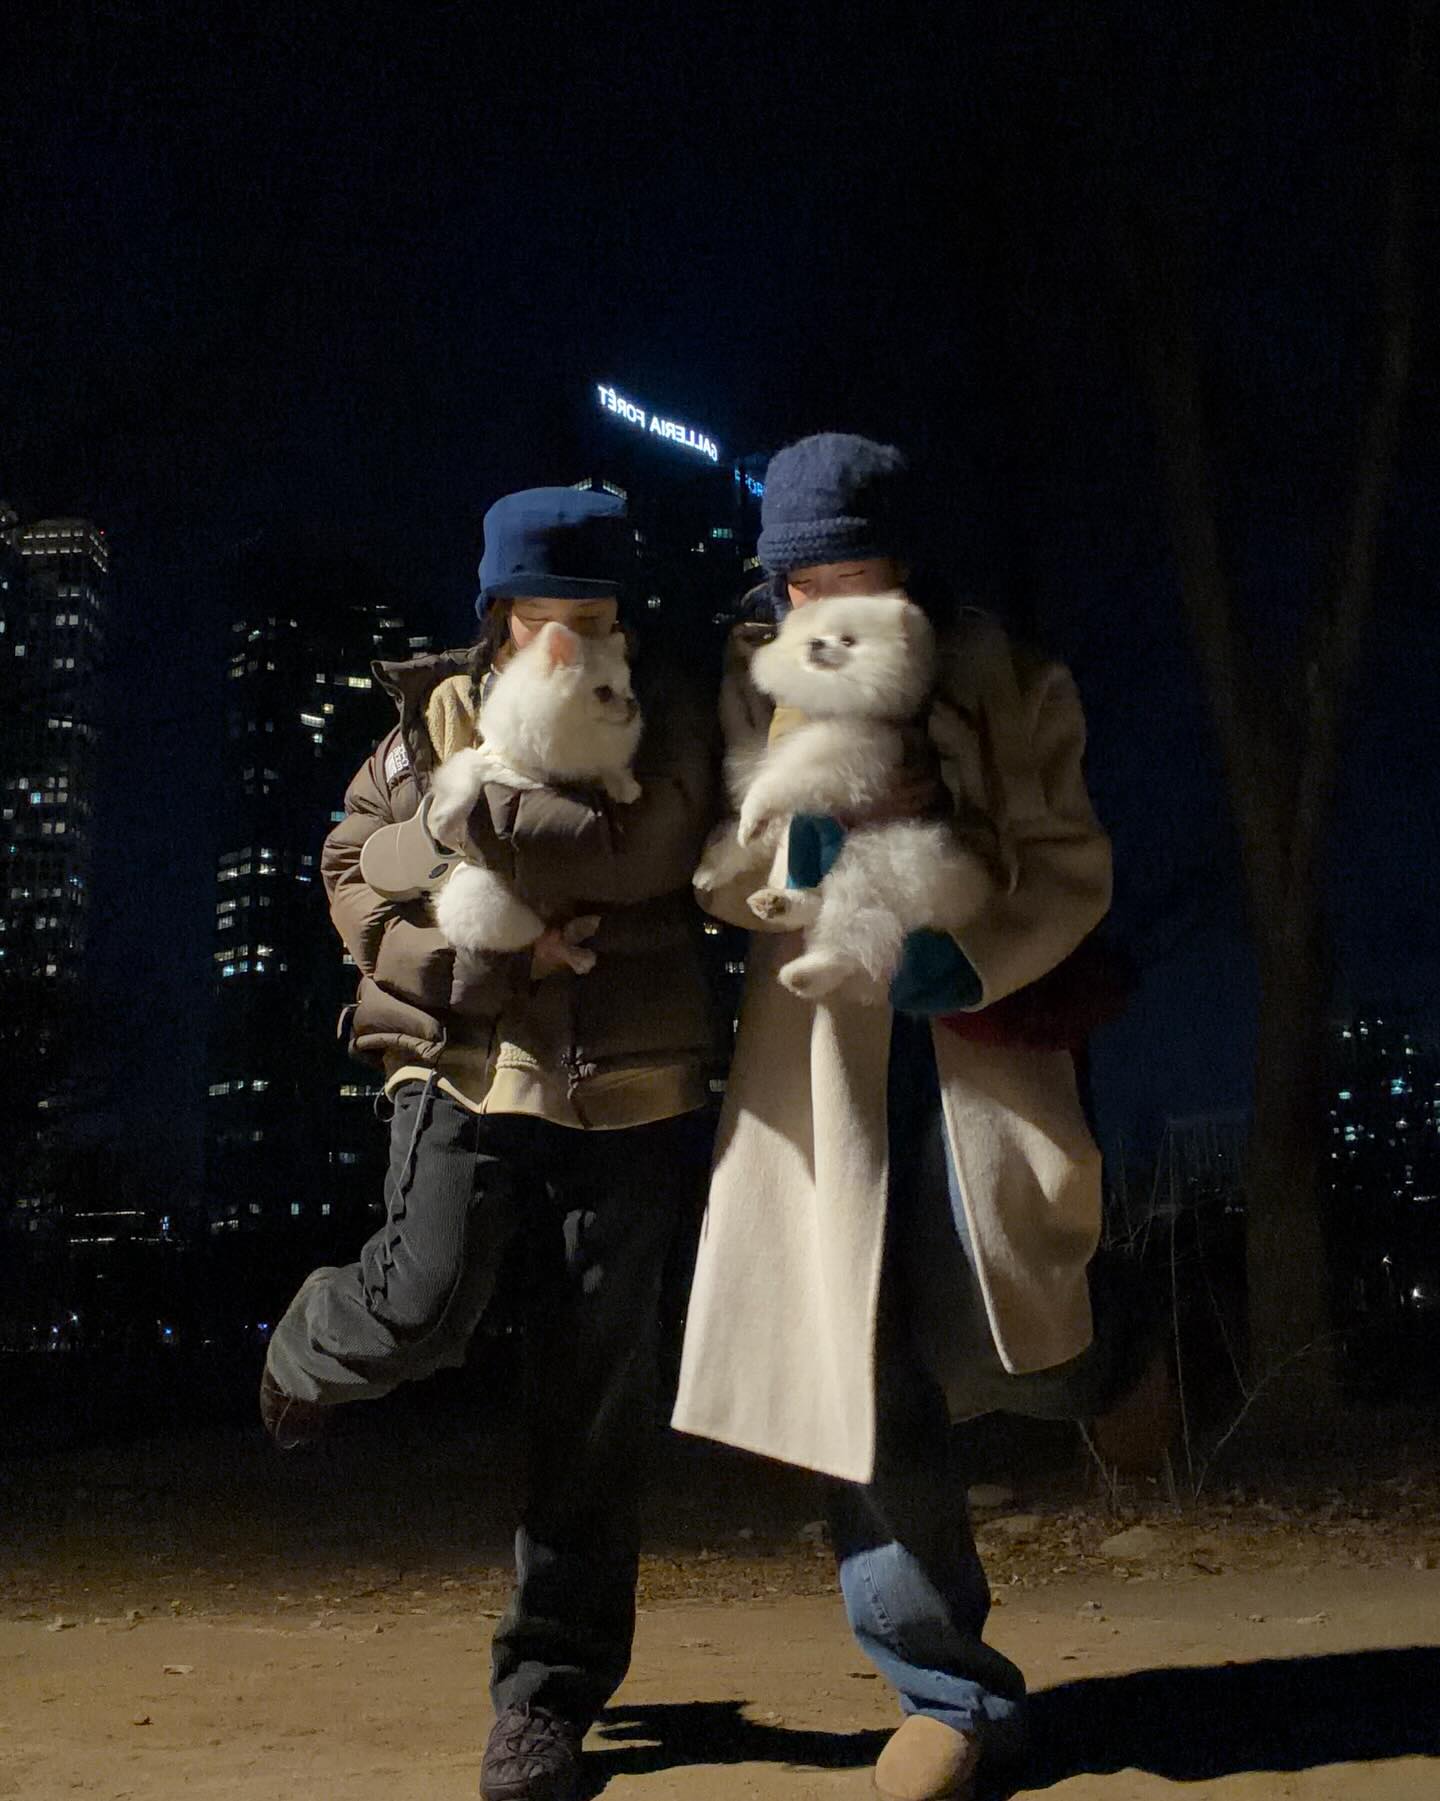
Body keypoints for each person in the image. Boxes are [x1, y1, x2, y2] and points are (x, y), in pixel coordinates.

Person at [672, 434, 1114, 1801]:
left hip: (974, 1049)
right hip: (823, 1069)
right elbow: (718, 870)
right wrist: (802, 837)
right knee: (861, 1371)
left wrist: (966, 948)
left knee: (1010, 1327)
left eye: (856, 574)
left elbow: (1070, 864)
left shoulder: (1009, 678)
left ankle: (1121, 1370)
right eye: (805, 583)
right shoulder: (754, 677)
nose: (830, 604)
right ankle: (947, 1688)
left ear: (908, 571)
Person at [260, 486, 719, 1801]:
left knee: (596, 1395)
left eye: (594, 612)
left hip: (634, 1084)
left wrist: (468, 824)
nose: (569, 638)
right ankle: (307, 1346)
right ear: (497, 612)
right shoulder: (430, 717)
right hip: (464, 1062)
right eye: (540, 613)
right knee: (425, 1295)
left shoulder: (667, 710)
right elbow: (349, 870)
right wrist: (468, 955)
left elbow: (645, 846)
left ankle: (545, 1697)